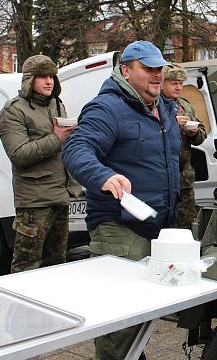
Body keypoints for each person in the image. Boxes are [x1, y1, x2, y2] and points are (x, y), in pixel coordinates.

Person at [62, 41, 179, 360]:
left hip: (157, 227)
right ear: (126, 70)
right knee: (119, 322)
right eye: (148, 68)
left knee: (141, 315)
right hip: (120, 229)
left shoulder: (163, 108)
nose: (157, 75)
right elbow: (76, 149)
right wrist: (103, 176)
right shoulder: (107, 107)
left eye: (160, 68)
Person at [0, 54, 80, 273]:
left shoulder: (56, 104)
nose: (49, 81)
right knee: (27, 268)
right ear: (29, 80)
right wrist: (57, 138)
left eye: (52, 76)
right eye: (42, 76)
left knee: (56, 266)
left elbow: (63, 149)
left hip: (59, 197)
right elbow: (19, 154)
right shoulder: (13, 110)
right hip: (34, 203)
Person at [161, 64, 207, 229]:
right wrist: (172, 124)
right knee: (163, 227)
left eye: (181, 83)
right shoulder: (153, 105)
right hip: (161, 179)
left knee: (187, 226)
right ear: (162, 82)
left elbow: (202, 135)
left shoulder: (185, 106)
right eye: (174, 83)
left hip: (184, 180)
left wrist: (193, 132)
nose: (179, 87)